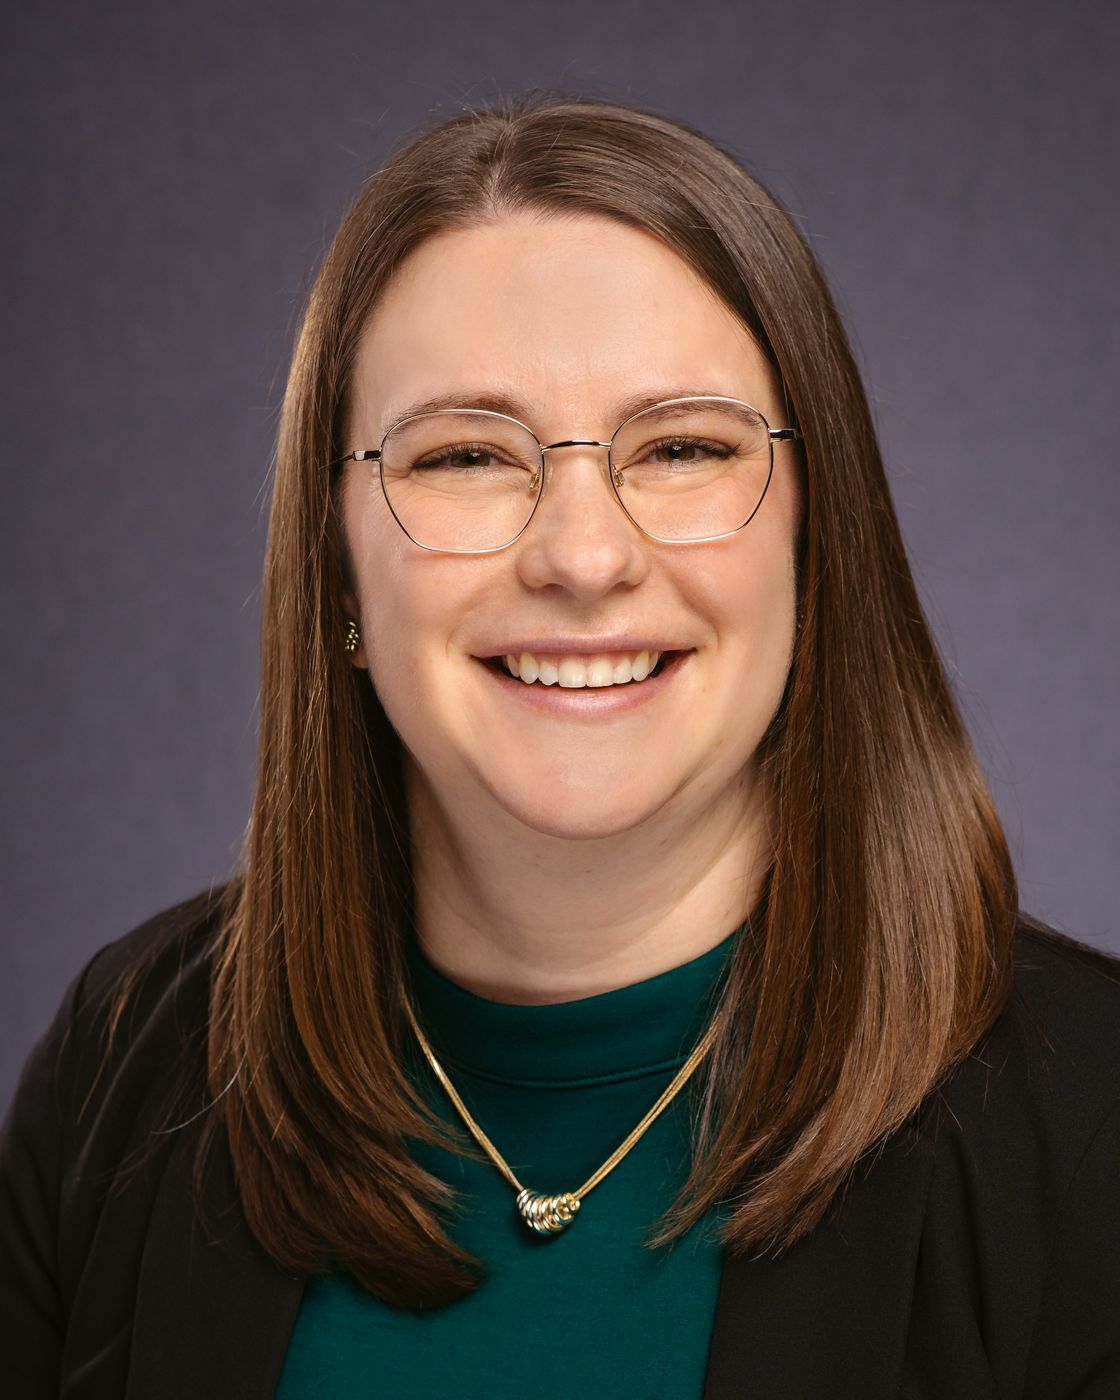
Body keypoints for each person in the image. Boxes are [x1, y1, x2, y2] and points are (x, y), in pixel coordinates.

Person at [2, 92, 1118, 1400]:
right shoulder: (127, 1067)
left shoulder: (1094, 1125)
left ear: (819, 542)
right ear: (339, 571)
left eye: (685, 448)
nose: (584, 560)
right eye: (468, 455)